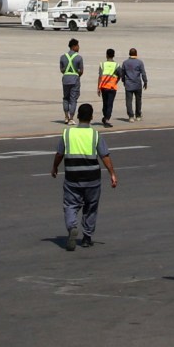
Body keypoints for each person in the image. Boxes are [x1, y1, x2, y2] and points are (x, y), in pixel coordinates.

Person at [50, 103, 116, 249]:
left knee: (70, 205)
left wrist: (55, 167)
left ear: (78, 116)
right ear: (91, 117)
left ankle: (72, 227)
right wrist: (112, 174)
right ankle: (87, 237)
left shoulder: (68, 134)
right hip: (92, 178)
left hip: (72, 178)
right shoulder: (95, 135)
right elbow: (104, 156)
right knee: (91, 207)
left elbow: (59, 154)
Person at [58, 38, 84, 123]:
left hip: (65, 79)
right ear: (74, 46)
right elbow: (81, 71)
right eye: (77, 46)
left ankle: (66, 116)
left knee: (65, 98)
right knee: (73, 99)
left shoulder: (63, 57)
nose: (78, 47)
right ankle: (71, 118)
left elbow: (62, 70)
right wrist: (76, 74)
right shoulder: (79, 58)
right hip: (74, 79)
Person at [120, 47, 148, 120]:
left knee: (128, 101)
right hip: (137, 84)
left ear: (129, 54)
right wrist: (145, 82)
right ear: (136, 54)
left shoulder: (125, 62)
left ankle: (131, 116)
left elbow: (122, 73)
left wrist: (123, 81)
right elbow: (143, 73)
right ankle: (138, 115)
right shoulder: (139, 62)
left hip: (128, 84)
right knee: (138, 100)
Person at [97, 48, 121, 125]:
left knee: (105, 103)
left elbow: (100, 77)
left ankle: (105, 116)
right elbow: (120, 75)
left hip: (104, 87)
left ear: (106, 55)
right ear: (113, 55)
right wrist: (116, 81)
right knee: (110, 104)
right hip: (112, 87)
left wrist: (98, 88)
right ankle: (107, 118)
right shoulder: (117, 65)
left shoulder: (102, 64)